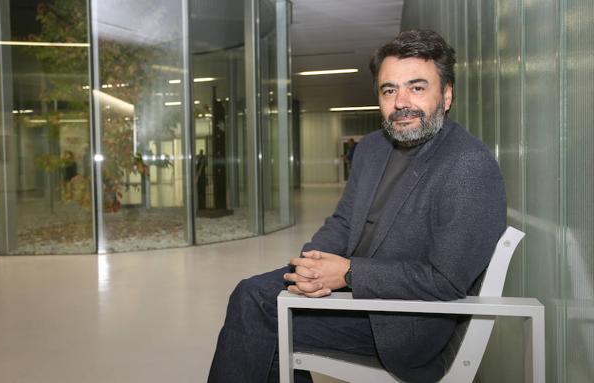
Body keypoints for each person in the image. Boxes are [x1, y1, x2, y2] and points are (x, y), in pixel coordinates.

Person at [208, 29, 506, 383]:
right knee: (252, 296)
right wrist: (313, 265)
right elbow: (344, 222)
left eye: (417, 87)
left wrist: (349, 273)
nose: (401, 102)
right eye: (389, 90)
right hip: (353, 292)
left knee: (255, 308)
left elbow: (446, 280)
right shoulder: (371, 149)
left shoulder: (467, 164)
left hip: (402, 321)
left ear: (447, 95)